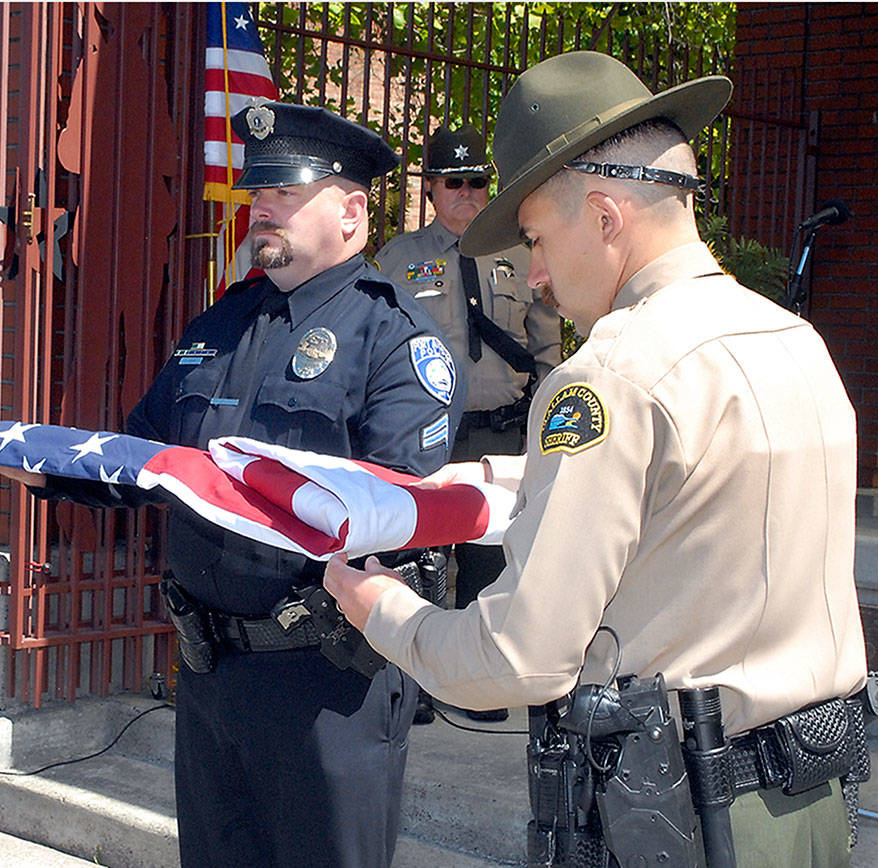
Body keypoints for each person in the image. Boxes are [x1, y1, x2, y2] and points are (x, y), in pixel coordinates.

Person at [325, 51, 868, 864]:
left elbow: (518, 657)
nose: (536, 276)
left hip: (682, 818)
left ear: (608, 218)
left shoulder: (608, 377)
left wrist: (383, 612)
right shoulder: (795, 341)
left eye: (539, 238)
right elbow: (690, 498)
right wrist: (472, 482)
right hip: (813, 805)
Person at [0, 102, 461, 867]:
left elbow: (395, 511)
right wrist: (46, 471)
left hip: (325, 679)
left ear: (351, 211)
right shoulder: (219, 325)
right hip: (210, 671)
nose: (261, 206)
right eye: (258, 192)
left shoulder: (394, 339)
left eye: (287, 191)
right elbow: (147, 458)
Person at [376, 125, 561, 723]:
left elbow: (545, 341)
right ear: (430, 188)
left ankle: (473, 684)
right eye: (453, 182)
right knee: (423, 556)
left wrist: (543, 419)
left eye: (477, 181)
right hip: (428, 434)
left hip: (498, 429)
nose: (467, 193)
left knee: (488, 562)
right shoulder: (399, 259)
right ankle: (418, 684)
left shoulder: (518, 254)